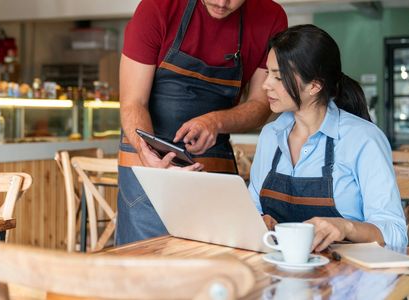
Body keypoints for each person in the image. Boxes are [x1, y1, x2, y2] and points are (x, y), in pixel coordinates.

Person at [117, 0, 287, 245]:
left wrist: (216, 122)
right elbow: (133, 102)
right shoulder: (157, 7)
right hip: (149, 166)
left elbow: (261, 105)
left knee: (213, 267)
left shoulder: (270, 17)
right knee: (146, 267)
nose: (221, 2)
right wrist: (148, 154)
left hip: (213, 167)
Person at [249, 24, 407, 251]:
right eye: (268, 73)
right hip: (280, 271)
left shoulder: (363, 139)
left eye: (279, 77)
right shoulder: (270, 136)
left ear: (314, 86)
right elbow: (252, 208)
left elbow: (396, 234)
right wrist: (261, 220)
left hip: (350, 277)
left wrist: (346, 228)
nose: (265, 85)